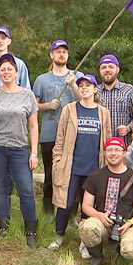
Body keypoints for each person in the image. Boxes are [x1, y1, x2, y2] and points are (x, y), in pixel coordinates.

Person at [49, 74, 111, 255]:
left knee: (88, 206)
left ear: (95, 89)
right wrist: (57, 161)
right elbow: (60, 138)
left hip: (93, 168)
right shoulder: (70, 109)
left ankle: (85, 241)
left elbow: (106, 140)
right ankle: (59, 235)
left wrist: (106, 166)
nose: (84, 88)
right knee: (65, 203)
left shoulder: (102, 112)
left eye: (88, 85)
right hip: (71, 166)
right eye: (81, 85)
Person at [0, 53, 40, 248]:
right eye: (2, 70)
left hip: (19, 148)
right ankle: (3, 227)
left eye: (9, 69)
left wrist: (34, 152)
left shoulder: (27, 95)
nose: (6, 72)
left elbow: (33, 125)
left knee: (26, 189)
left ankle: (31, 231)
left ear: (16, 72)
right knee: (1, 188)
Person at [79, 137, 133, 265]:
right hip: (102, 223)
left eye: (117, 150)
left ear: (124, 153)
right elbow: (86, 205)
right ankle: (97, 257)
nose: (113, 153)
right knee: (88, 227)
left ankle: (122, 252)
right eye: (109, 150)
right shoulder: (95, 176)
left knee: (132, 251)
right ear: (104, 153)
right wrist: (99, 215)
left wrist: (130, 222)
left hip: (125, 224)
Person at [32, 40, 81, 218]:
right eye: (57, 51)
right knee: (50, 173)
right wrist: (47, 105)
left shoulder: (77, 75)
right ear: (51, 55)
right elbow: (33, 106)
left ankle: (72, 213)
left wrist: (74, 84)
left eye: (64, 52)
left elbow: (88, 100)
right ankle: (48, 212)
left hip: (74, 134)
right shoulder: (41, 79)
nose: (61, 54)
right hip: (50, 133)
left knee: (74, 174)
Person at [97, 54, 133, 147]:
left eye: (111, 67)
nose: (107, 70)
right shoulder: (95, 91)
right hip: (99, 145)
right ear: (100, 71)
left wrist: (128, 128)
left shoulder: (128, 90)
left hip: (122, 146)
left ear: (117, 69)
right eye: (104, 67)